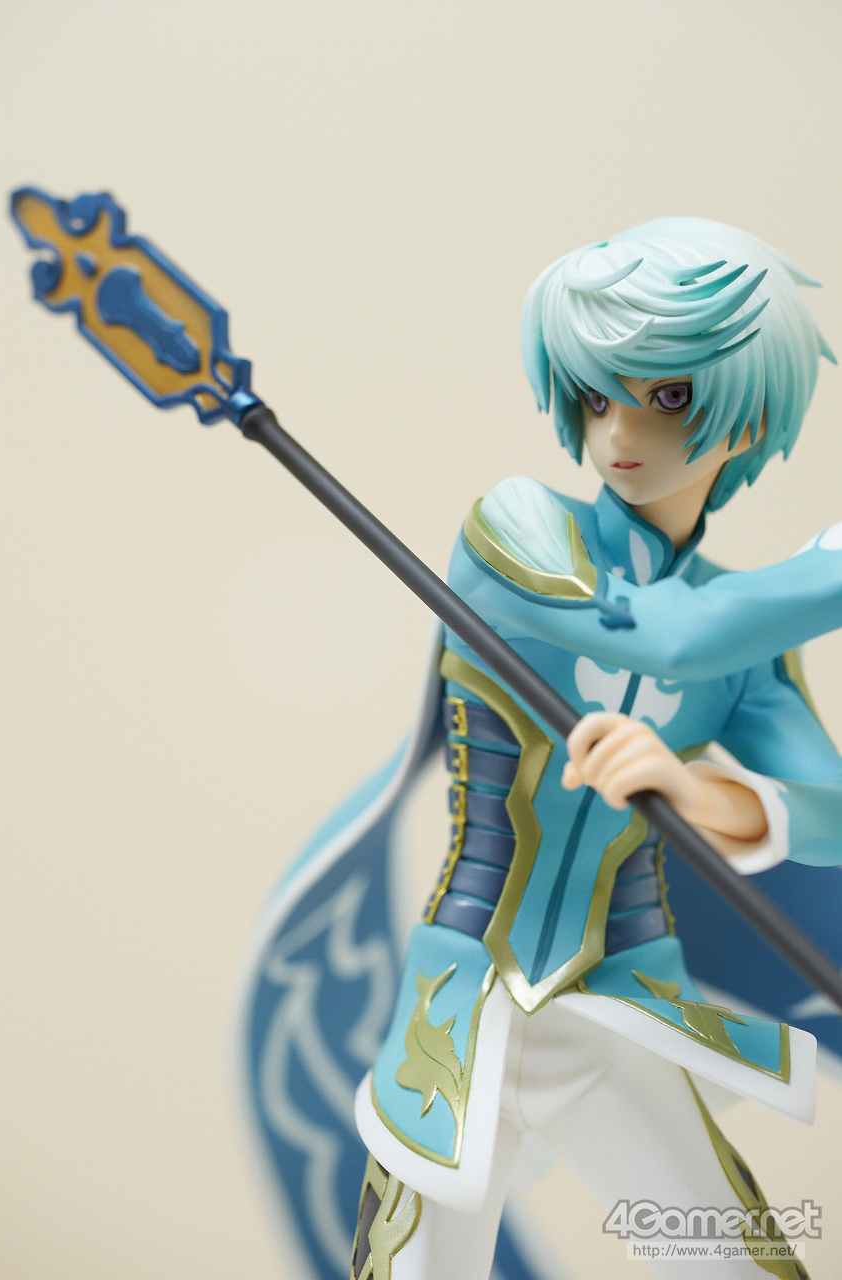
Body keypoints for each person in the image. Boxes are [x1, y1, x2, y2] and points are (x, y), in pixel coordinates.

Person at [346, 219, 841, 1280]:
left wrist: (705, 795)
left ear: (748, 419)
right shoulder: (515, 528)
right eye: (593, 394)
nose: (617, 431)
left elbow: (831, 814)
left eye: (669, 396)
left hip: (624, 1007)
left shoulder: (748, 647)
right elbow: (661, 634)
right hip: (460, 1005)